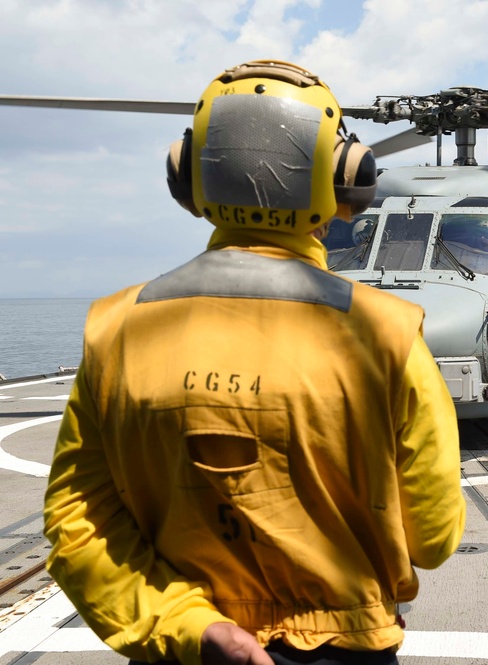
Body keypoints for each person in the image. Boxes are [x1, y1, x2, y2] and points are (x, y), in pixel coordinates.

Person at [43, 60, 466, 665]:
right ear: (345, 179)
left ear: (188, 177)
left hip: (191, 649)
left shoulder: (116, 329)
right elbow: (433, 539)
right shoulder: (388, 333)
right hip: (345, 645)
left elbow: (77, 521)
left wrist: (191, 627)